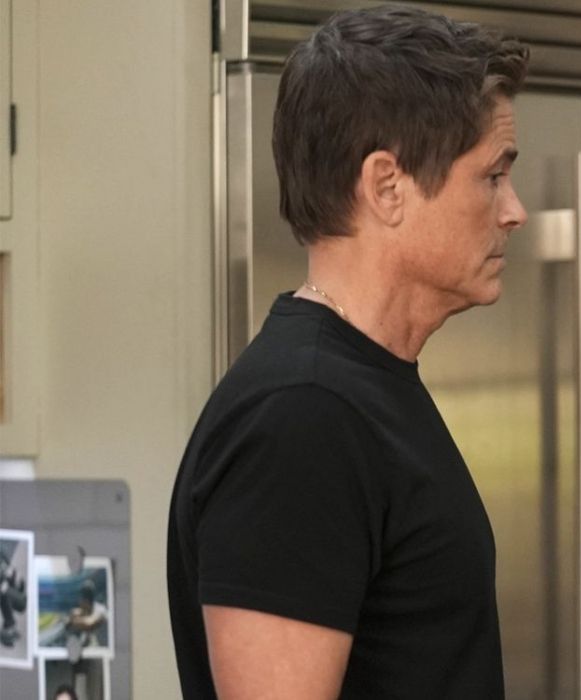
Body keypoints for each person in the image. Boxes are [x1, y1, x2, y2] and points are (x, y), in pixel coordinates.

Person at [167, 6, 528, 699]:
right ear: (386, 186)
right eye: (492, 175)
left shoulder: (362, 388)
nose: (514, 210)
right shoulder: (302, 420)